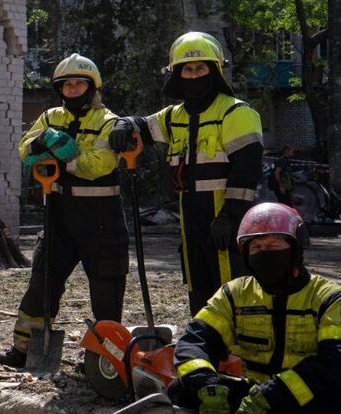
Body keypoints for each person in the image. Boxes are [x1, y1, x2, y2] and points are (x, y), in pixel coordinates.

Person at [170, 202, 341, 414]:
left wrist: (272, 396)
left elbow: (334, 362)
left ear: (297, 247)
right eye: (256, 247)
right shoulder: (235, 294)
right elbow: (195, 340)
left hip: (305, 406)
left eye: (275, 243)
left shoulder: (328, 298)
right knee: (182, 391)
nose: (266, 252)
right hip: (251, 406)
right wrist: (207, 387)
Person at [109, 32, 263, 315]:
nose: (194, 75)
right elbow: (143, 124)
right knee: (197, 282)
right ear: (177, 74)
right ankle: (203, 342)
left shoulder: (235, 112)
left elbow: (248, 170)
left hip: (226, 213)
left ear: (214, 71)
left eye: (200, 68)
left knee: (231, 283)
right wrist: (123, 124)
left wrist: (229, 216)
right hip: (189, 210)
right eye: (187, 69)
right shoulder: (175, 115)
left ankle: (235, 350)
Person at [0, 53, 129, 367]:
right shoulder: (50, 117)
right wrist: (44, 139)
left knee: (107, 292)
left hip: (102, 220)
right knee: (42, 282)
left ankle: (106, 358)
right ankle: (25, 349)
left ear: (92, 86)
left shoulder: (108, 121)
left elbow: (99, 165)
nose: (71, 89)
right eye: (66, 85)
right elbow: (25, 150)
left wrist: (65, 158)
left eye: (77, 84)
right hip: (58, 215)